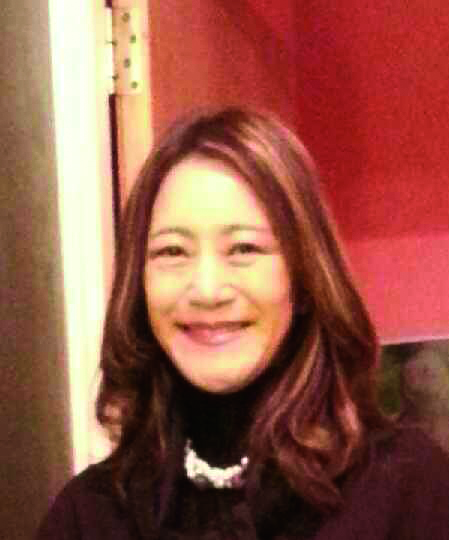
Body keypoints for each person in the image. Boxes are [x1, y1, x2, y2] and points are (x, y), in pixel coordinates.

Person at [37, 108, 449, 539]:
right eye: (172, 252)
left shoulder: (410, 491)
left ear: (304, 276)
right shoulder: (88, 515)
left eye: (244, 249)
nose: (207, 290)